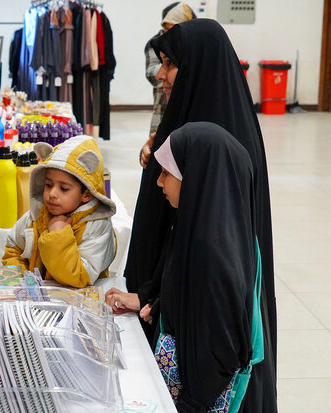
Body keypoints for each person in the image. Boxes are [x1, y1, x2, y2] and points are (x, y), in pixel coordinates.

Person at [106, 18, 277, 411]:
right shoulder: (188, 114)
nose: (160, 75)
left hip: (202, 355)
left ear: (197, 66)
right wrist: (153, 297)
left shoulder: (220, 137)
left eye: (169, 63)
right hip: (174, 311)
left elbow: (216, 285)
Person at [145, 121, 275, 412]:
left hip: (199, 397)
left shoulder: (213, 254)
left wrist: (191, 405)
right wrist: (161, 307)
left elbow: (220, 348)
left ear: (198, 176)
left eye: (167, 172)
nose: (159, 181)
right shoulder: (212, 229)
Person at [2, 136, 116, 288]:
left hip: (76, 302)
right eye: (48, 185)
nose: (52, 194)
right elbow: (13, 248)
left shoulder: (97, 226)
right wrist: (23, 281)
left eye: (64, 188)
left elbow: (80, 276)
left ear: (86, 194)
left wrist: (57, 236)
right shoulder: (36, 216)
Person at [145, 2, 196, 136]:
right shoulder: (156, 43)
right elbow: (152, 73)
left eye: (173, 29)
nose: (169, 34)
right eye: (166, 28)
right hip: (163, 108)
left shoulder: (193, 45)